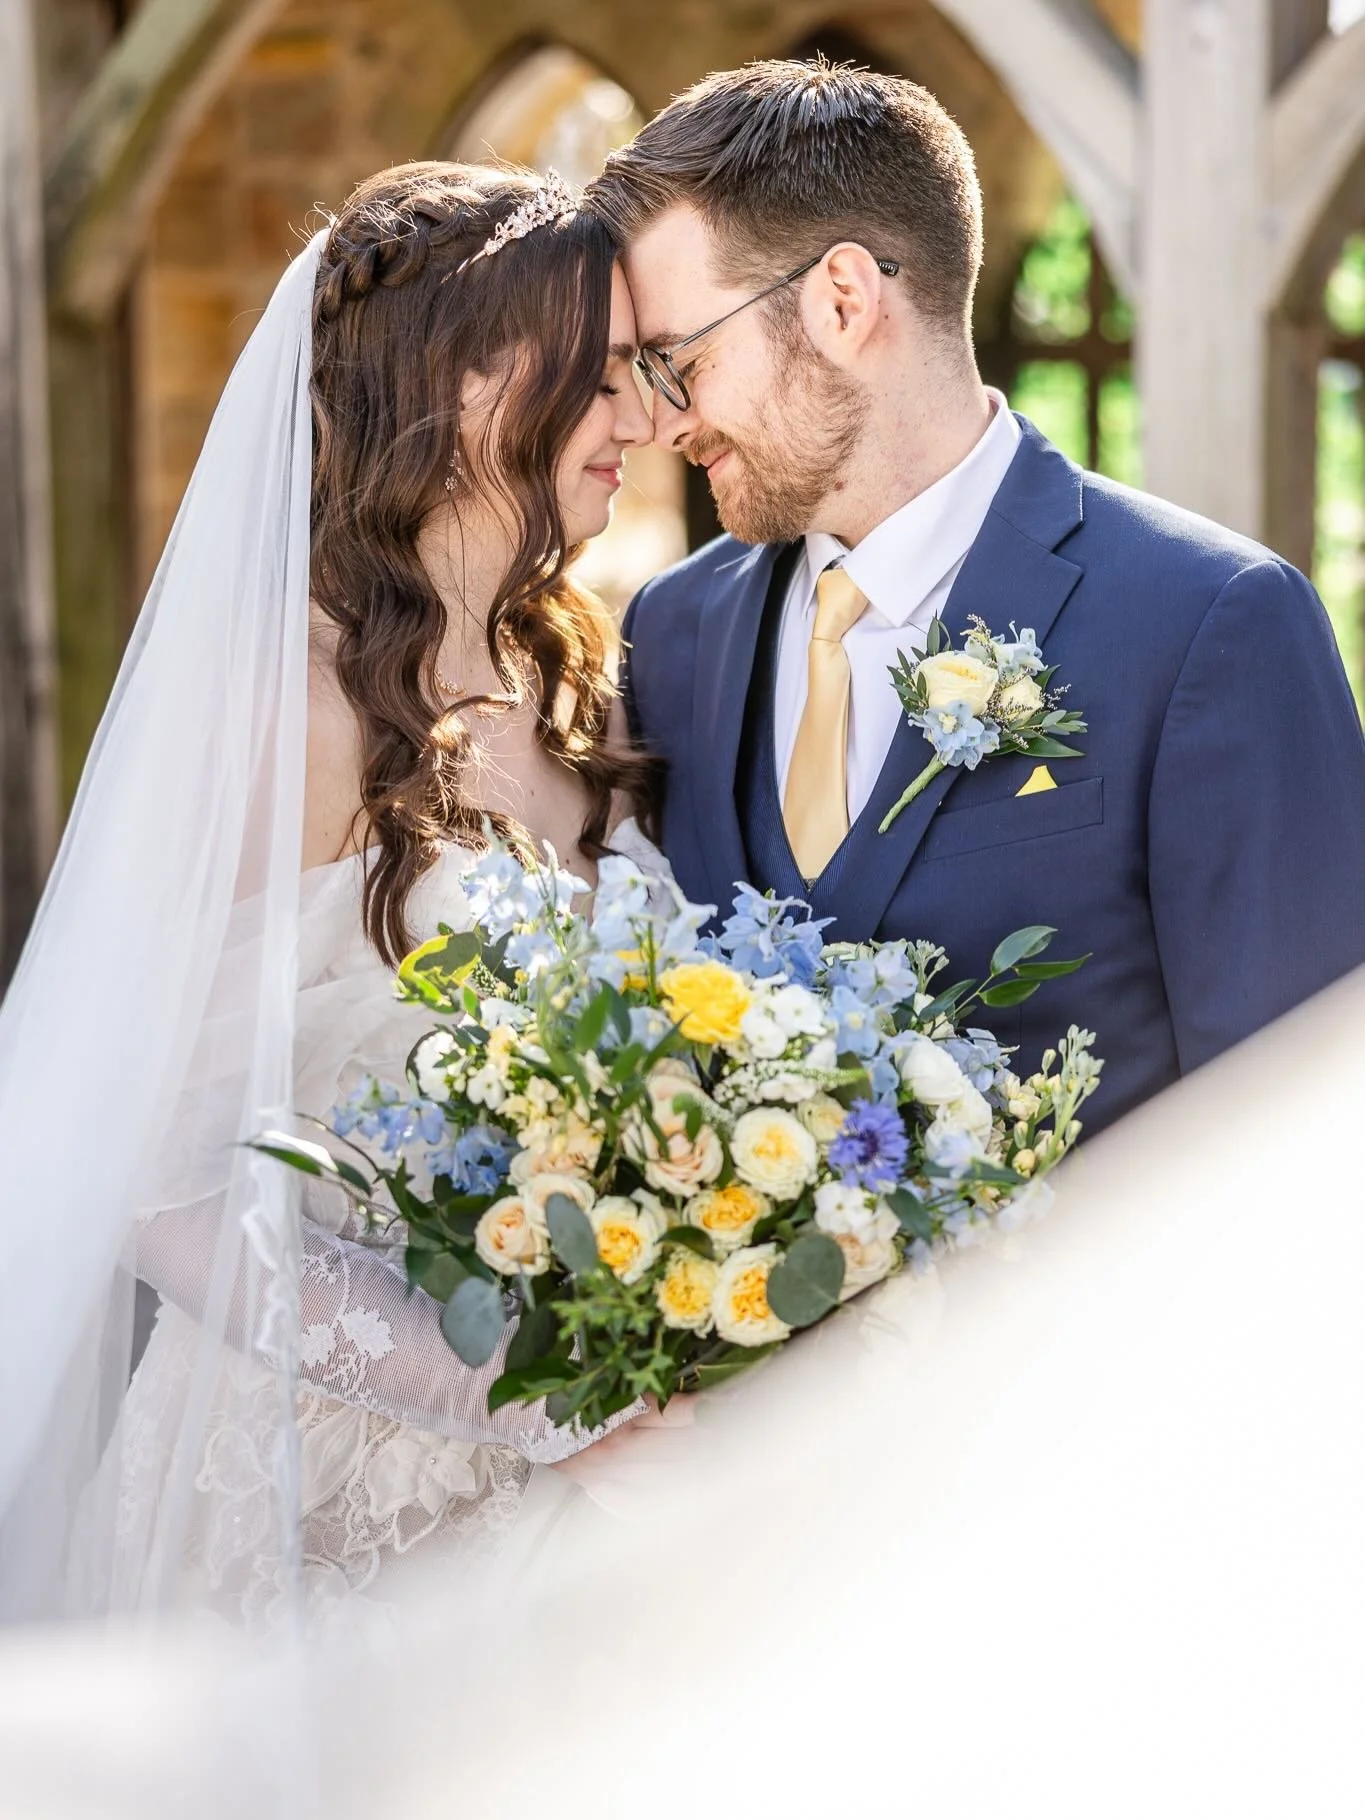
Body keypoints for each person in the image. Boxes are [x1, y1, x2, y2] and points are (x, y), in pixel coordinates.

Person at [0, 162, 674, 1626]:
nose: (644, 420)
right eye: (607, 373)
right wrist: (519, 1394)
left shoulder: (572, 670)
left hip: (596, 1496)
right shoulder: (285, 715)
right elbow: (162, 1189)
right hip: (327, 1500)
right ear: (474, 376)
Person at [588, 58, 1365, 1137]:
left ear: (843, 300)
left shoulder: (1212, 624)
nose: (662, 422)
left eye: (678, 360)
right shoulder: (671, 633)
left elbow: (1300, 1140)